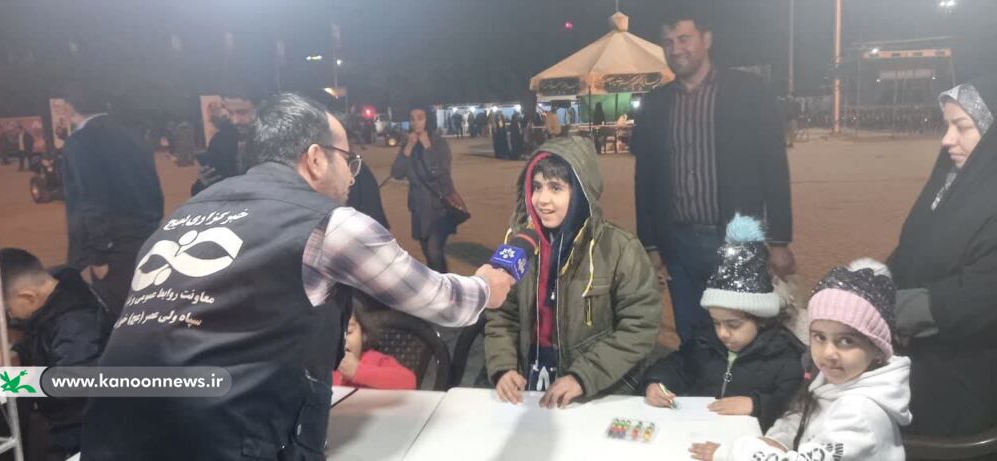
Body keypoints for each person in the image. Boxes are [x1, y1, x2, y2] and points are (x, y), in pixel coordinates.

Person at [80, 93, 513, 460]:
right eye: (349, 161)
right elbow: (443, 302)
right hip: (222, 438)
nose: (352, 177)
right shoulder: (328, 223)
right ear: (316, 159)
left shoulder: (182, 217)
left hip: (108, 436)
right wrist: (488, 288)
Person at [632, 9, 794, 345]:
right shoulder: (656, 105)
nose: (675, 49)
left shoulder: (748, 92)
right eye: (668, 42)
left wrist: (779, 241)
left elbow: (774, 168)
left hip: (737, 240)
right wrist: (651, 245)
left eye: (684, 39)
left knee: (741, 333)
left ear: (706, 39)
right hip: (678, 244)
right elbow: (644, 179)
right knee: (691, 333)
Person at [485, 137, 661, 408]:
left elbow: (640, 325)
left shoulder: (619, 249)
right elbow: (501, 314)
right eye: (537, 187)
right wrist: (503, 366)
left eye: (556, 188)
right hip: (528, 383)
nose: (542, 200)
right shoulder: (519, 246)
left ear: (580, 191)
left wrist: (583, 376)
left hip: (596, 389)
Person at [691, 259, 912, 461]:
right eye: (819, 337)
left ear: (877, 348)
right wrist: (779, 440)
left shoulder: (859, 414)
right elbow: (801, 414)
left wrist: (734, 453)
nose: (828, 353)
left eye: (846, 341)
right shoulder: (833, 378)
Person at [888, 76, 997, 438]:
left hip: (967, 375)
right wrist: (870, 280)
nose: (947, 139)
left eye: (962, 127)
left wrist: (890, 308)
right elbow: (910, 250)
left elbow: (980, 297)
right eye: (947, 126)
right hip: (916, 354)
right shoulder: (952, 181)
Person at [640, 215, 804, 431]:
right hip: (699, 432)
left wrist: (757, 405)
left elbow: (793, 406)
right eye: (716, 323)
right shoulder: (705, 343)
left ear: (761, 319)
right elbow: (677, 365)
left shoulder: (785, 356)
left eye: (733, 325)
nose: (722, 333)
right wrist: (657, 383)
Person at [0, 248, 109, 459]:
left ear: (28, 296)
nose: (11, 315)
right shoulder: (51, 299)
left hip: (86, 429)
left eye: (9, 309)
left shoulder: (75, 320)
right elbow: (41, 340)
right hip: (63, 422)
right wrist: (16, 354)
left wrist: (19, 380)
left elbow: (76, 381)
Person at [61, 84, 164, 316]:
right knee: (147, 304)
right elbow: (154, 187)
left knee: (117, 313)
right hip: (146, 234)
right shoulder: (134, 136)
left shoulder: (80, 142)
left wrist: (98, 254)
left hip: (112, 245)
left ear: (69, 108)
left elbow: (91, 197)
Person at [391, 104, 467, 272]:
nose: (415, 123)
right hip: (418, 208)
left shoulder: (439, 143)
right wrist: (408, 148)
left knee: (434, 252)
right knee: (426, 251)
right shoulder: (409, 144)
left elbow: (439, 172)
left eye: (420, 118)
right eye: (412, 119)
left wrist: (427, 147)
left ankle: (444, 285)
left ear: (428, 120)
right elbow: (397, 173)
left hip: (438, 207)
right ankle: (437, 282)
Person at [333, 306, 416, 390]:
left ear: (364, 334)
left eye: (349, 331)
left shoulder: (375, 360)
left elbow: (409, 382)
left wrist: (357, 371)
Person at [191, 94, 256, 195]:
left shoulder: (277, 142)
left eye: (242, 112)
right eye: (230, 113)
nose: (235, 121)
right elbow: (200, 193)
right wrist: (202, 184)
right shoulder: (220, 140)